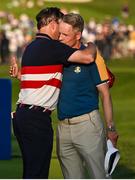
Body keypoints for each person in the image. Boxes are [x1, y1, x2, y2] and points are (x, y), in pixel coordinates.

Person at [10, 7, 96, 179]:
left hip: (21, 116)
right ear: (52, 24)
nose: (62, 31)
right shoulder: (53, 47)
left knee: (30, 171)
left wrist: (19, 75)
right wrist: (92, 45)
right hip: (36, 120)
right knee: (38, 173)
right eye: (60, 24)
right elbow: (88, 58)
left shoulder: (30, 47)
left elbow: (37, 79)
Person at [56, 13, 118, 179]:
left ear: (78, 35)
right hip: (62, 127)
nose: (60, 38)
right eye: (59, 33)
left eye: (65, 35)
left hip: (88, 126)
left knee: (99, 176)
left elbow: (105, 94)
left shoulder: (94, 57)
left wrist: (111, 128)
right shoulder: (57, 54)